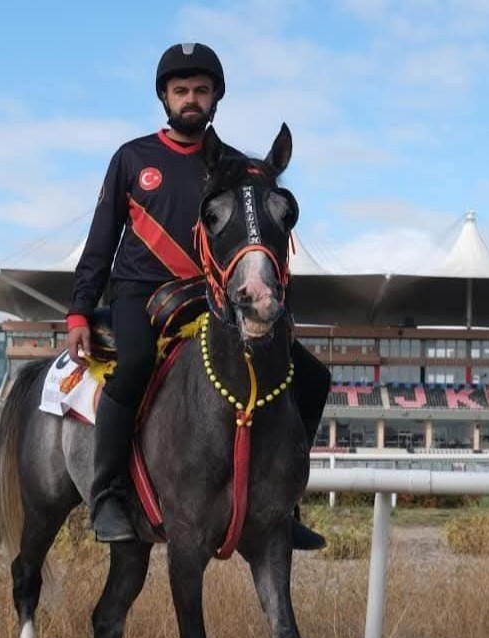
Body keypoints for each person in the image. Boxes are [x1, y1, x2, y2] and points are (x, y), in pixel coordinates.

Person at [66, 42, 330, 548]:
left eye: (201, 91)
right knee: (137, 363)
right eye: (181, 90)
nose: (191, 99)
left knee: (311, 376)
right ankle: (106, 496)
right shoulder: (131, 158)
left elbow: (259, 239)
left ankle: (285, 504)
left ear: (215, 99)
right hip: (138, 294)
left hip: (209, 296)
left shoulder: (235, 166)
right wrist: (79, 309)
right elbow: (101, 239)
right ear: (165, 97)